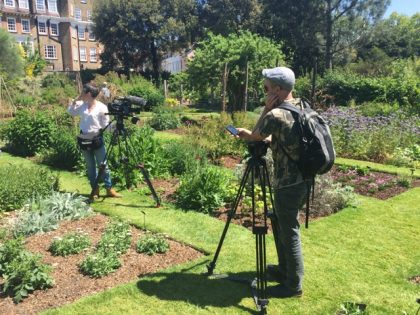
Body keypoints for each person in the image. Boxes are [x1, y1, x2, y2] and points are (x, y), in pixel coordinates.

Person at [235, 66, 308, 298]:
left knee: (290, 232)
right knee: (283, 225)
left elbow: (256, 134)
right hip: (304, 179)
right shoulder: (301, 106)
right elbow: (280, 135)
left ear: (277, 89)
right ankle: (284, 270)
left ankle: (293, 285)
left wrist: (267, 108)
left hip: (288, 183)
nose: (264, 90)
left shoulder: (276, 114)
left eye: (266, 87)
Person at [68, 82, 121, 199]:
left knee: (103, 165)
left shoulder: (102, 107)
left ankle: (109, 189)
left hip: (97, 139)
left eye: (84, 92)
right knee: (90, 166)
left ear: (89, 93)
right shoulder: (82, 105)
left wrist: (114, 128)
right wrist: (75, 100)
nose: (82, 93)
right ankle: (95, 189)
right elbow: (71, 112)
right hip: (84, 139)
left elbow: (105, 124)